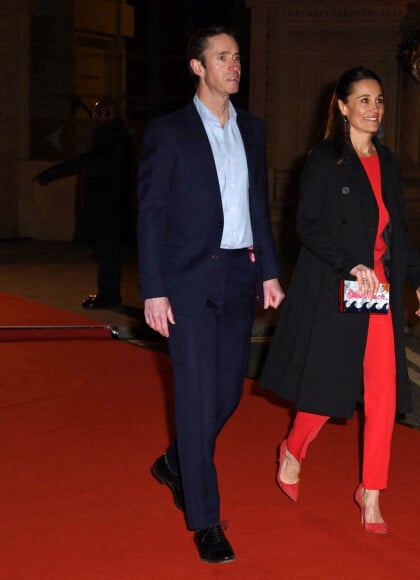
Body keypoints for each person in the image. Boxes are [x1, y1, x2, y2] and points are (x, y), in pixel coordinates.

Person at [260, 67, 420, 534]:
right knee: (331, 380)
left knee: (382, 391)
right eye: (363, 100)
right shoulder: (324, 158)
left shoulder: (389, 162)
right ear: (341, 106)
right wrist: (350, 264)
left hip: (379, 289)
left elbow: (398, 229)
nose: (373, 109)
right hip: (342, 287)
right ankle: (294, 448)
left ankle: (371, 493)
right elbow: (307, 226)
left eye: (378, 101)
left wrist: (418, 278)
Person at [137, 27, 284, 564]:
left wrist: (268, 271)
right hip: (186, 281)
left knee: (227, 395)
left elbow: (258, 208)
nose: (234, 65)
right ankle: (205, 520)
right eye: (223, 57)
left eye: (237, 57)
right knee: (197, 400)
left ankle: (176, 461)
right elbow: (150, 215)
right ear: (198, 67)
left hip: (239, 277)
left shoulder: (254, 130)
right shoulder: (169, 132)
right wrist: (153, 289)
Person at [35, 97, 133, 309]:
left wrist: (54, 172)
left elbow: (91, 161)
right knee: (105, 254)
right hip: (107, 207)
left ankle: (109, 297)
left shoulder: (114, 139)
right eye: (99, 113)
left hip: (109, 209)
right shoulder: (110, 137)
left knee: (108, 255)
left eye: (105, 114)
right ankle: (108, 295)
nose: (99, 118)